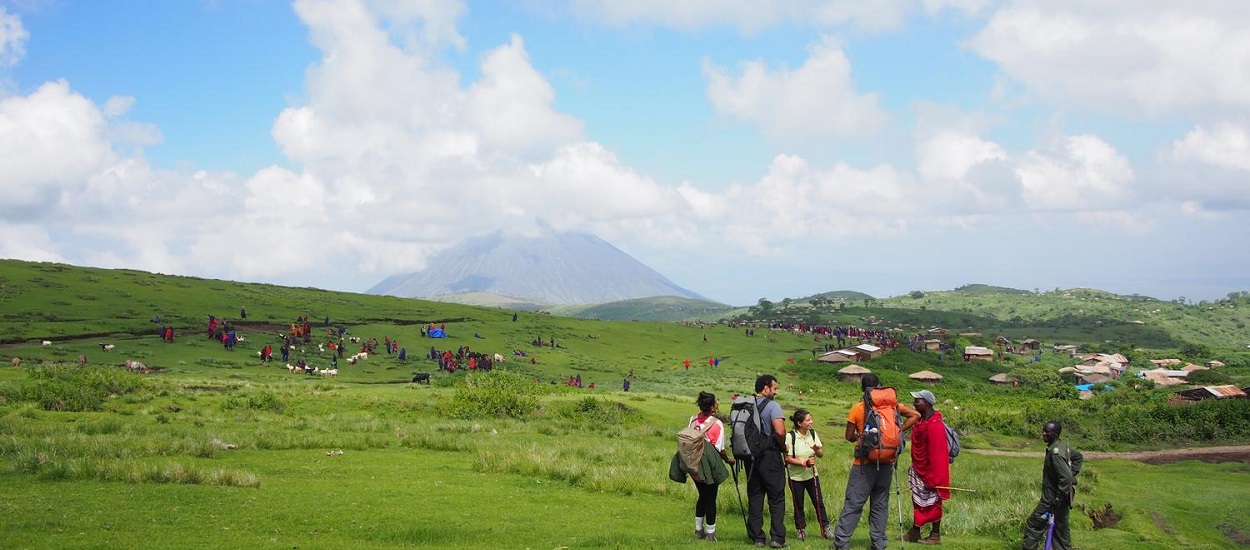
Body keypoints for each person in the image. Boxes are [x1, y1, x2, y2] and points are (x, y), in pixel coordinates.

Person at [831, 374, 920, 550]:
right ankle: (879, 544)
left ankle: (841, 543)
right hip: (886, 463)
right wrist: (897, 431)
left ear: (862, 389)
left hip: (863, 465)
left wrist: (862, 438)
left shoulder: (858, 408)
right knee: (880, 504)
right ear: (879, 387)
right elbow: (915, 415)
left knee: (854, 504)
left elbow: (849, 436)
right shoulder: (893, 407)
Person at [1022, 421, 1083, 550]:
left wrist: (1058, 498)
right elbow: (1078, 457)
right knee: (1060, 532)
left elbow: (1065, 478)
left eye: (1047, 432)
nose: (1044, 434)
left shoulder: (1055, 453)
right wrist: (1071, 473)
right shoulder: (1060, 447)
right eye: (1043, 431)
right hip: (1062, 499)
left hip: (1051, 500)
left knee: (1033, 526)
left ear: (1055, 434)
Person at [745, 374, 788, 548]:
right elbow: (779, 431)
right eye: (774, 388)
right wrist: (783, 446)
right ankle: (777, 538)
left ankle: (758, 538)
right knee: (776, 497)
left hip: (750, 457)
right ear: (765, 388)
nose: (776, 392)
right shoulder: (773, 406)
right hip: (769, 456)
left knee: (755, 496)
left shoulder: (746, 405)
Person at [903, 389, 950, 545]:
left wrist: (934, 478)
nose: (915, 403)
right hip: (919, 469)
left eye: (918, 400)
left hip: (932, 472)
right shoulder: (921, 421)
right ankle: (915, 532)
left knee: (933, 502)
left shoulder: (935, 425)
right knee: (918, 501)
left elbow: (937, 455)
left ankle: (935, 535)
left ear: (927, 404)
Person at [690, 391, 735, 542]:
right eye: (716, 402)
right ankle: (710, 532)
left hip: (694, 466)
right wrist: (728, 459)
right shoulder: (716, 424)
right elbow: (720, 448)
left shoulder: (693, 419)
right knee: (710, 498)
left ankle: (698, 530)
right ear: (712, 406)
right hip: (709, 467)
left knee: (702, 496)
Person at [783, 408, 830, 541]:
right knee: (799, 504)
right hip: (795, 477)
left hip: (812, 475)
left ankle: (826, 529)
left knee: (819, 502)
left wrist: (817, 450)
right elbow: (787, 458)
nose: (811, 422)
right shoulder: (790, 436)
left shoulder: (813, 434)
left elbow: (821, 454)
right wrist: (804, 463)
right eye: (808, 420)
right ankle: (801, 530)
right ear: (799, 423)